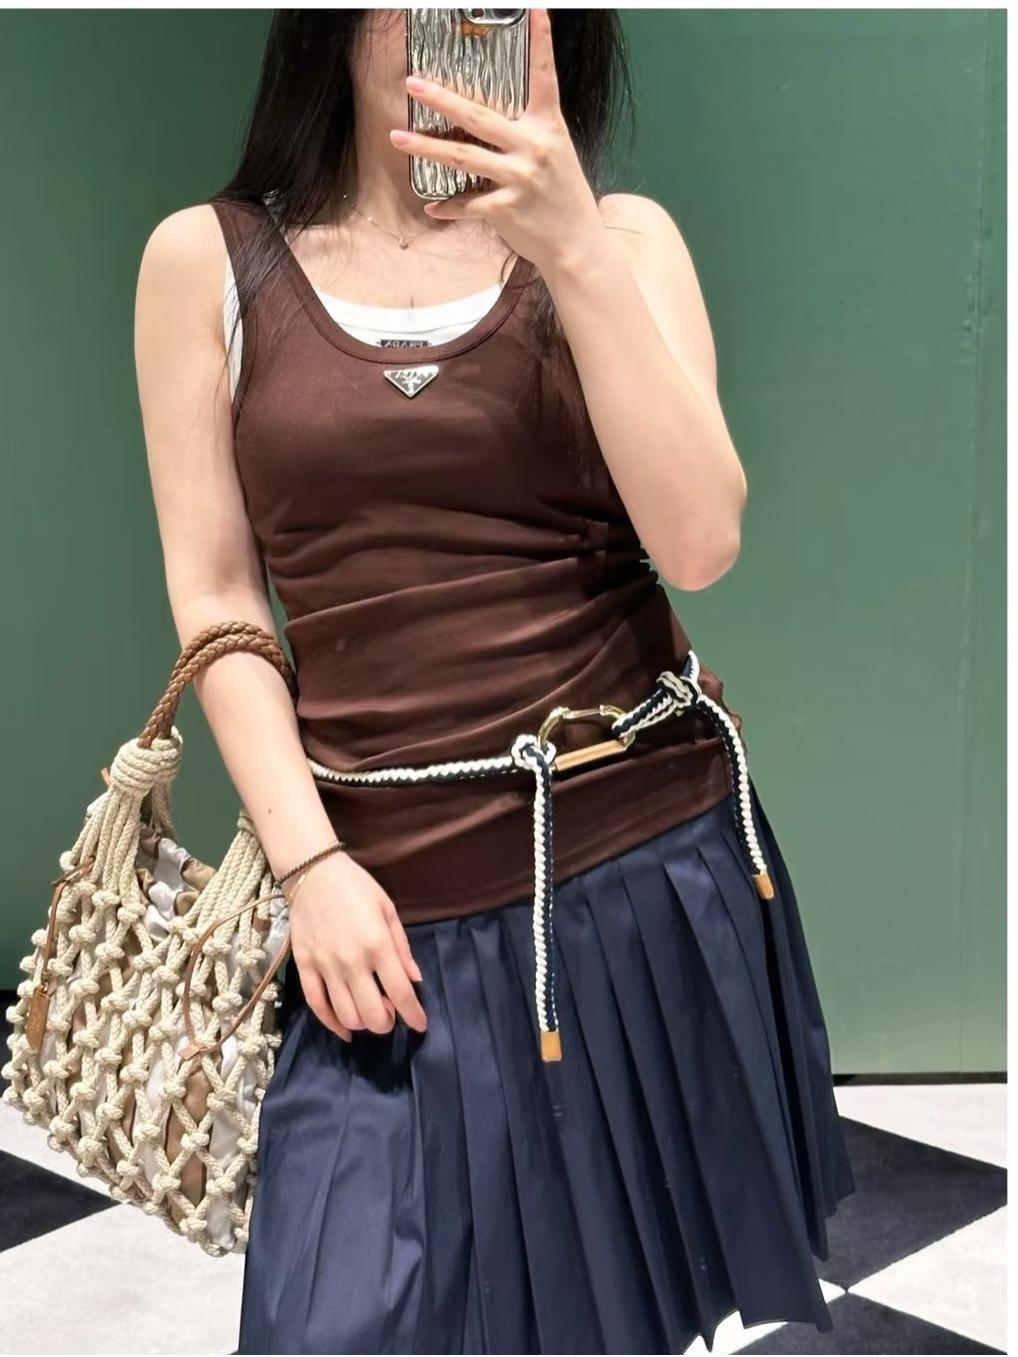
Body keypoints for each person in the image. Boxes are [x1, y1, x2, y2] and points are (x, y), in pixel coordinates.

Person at [133, 9, 854, 1354]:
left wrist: (571, 244)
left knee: (607, 1318)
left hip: (640, 867)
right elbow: (220, 597)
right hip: (380, 903)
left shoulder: (621, 241)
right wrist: (308, 865)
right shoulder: (208, 259)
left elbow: (700, 538)